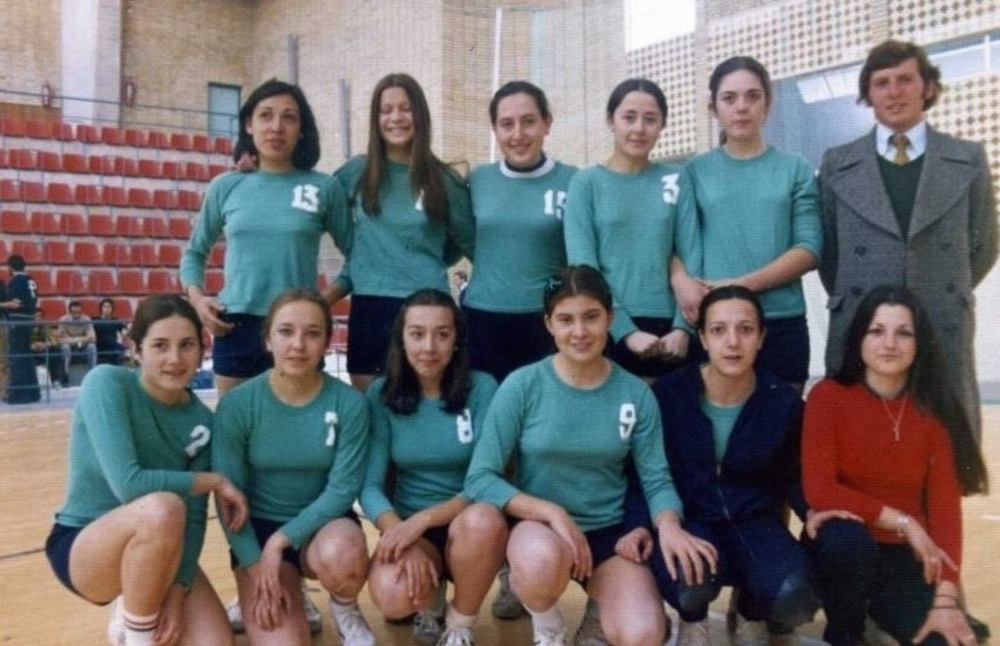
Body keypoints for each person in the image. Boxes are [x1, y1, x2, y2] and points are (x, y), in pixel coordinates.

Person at [464, 265, 715, 646]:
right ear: (549, 324)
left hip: (609, 536)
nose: (579, 332)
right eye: (565, 319)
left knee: (644, 634)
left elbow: (656, 478)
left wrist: (668, 525)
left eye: (591, 317)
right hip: (542, 532)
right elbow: (481, 477)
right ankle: (548, 626)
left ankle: (600, 615)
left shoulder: (636, 394)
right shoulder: (522, 385)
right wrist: (551, 512)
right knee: (538, 562)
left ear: (610, 319)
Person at [43, 294, 248, 646]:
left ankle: (141, 596)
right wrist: (213, 480)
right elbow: (129, 485)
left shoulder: (202, 421)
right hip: (85, 546)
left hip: (161, 546)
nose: (174, 358)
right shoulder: (106, 383)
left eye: (187, 345)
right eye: (160, 345)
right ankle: (138, 631)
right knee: (164, 507)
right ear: (136, 349)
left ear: (202, 350)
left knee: (216, 641)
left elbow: (196, 520)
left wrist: (178, 591)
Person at [818, 39, 997, 438]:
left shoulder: (968, 157)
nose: (894, 92)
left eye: (905, 80)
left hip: (940, 316)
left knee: (941, 446)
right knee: (862, 443)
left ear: (927, 87)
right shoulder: (836, 163)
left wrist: (940, 284)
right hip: (863, 319)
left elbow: (984, 244)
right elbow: (830, 253)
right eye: (881, 83)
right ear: (868, 93)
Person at [623, 285, 820, 646]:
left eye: (745, 329)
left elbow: (796, 476)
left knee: (793, 597)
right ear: (702, 337)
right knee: (688, 583)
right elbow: (642, 472)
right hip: (690, 522)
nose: (732, 342)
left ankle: (750, 609)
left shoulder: (782, 401)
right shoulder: (667, 395)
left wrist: (815, 512)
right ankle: (692, 621)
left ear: (761, 338)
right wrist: (640, 525)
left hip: (755, 523)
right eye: (718, 330)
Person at [802, 285, 989, 646]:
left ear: (920, 344)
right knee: (846, 544)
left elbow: (945, 511)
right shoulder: (828, 397)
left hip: (905, 558)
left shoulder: (934, 410)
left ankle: (884, 612)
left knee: (950, 641)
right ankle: (846, 633)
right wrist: (906, 523)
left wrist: (947, 599)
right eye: (877, 331)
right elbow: (820, 490)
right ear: (859, 338)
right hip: (844, 547)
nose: (889, 344)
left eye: (903, 333)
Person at [212, 289, 375, 646]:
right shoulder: (237, 405)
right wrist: (258, 565)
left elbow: (343, 490)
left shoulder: (348, 403)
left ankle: (345, 608)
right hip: (256, 534)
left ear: (327, 343)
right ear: (268, 339)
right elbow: (228, 500)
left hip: (323, 527)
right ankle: (283, 592)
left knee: (343, 552)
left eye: (312, 333)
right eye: (286, 331)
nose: (298, 344)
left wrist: (282, 542)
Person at [180, 78, 351, 397]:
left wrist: (323, 300)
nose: (276, 126)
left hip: (299, 328)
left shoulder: (324, 188)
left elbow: (359, 258)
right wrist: (198, 300)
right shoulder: (225, 186)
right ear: (248, 124)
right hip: (236, 326)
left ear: (302, 129)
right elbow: (194, 253)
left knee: (299, 432)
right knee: (236, 434)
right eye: (266, 115)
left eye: (289, 117)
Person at [360, 288, 504, 646]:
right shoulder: (380, 395)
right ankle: (430, 599)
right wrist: (400, 533)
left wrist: (422, 521)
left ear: (457, 339)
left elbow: (485, 479)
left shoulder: (482, 388)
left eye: (442, 334)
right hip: (411, 527)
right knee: (392, 600)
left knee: (484, 520)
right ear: (402, 339)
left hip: (468, 524)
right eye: (417, 334)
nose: (429, 347)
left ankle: (460, 622)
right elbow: (370, 486)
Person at [677, 56, 821, 392]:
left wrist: (740, 286)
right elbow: (672, 242)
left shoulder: (795, 168)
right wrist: (680, 280)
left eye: (753, 96)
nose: (741, 107)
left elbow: (810, 248)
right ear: (713, 108)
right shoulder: (694, 171)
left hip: (780, 319)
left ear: (767, 104)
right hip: (715, 324)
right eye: (729, 98)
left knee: (780, 433)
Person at [332, 72, 475, 393]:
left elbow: (470, 245)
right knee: (371, 411)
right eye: (386, 110)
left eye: (405, 108)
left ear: (420, 115)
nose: (396, 117)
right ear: (375, 119)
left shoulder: (443, 180)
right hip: (371, 307)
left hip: (427, 310)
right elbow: (313, 200)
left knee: (426, 409)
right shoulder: (356, 171)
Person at [564, 78, 700, 382]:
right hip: (607, 326)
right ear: (610, 120)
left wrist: (682, 328)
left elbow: (691, 253)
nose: (639, 128)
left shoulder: (677, 178)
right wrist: (625, 331)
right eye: (629, 117)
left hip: (673, 333)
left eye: (650, 119)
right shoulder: (586, 184)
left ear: (662, 125)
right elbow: (585, 268)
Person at [463, 80, 577, 384]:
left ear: (547, 123)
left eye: (528, 122)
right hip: (483, 319)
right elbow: (465, 239)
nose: (518, 135)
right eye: (506, 124)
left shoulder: (574, 181)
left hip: (545, 322)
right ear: (495, 130)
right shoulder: (478, 180)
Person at [2, 254, 40, 403]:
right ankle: (33, 393)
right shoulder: (31, 280)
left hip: (17, 321)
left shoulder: (15, 282)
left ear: (10, 267)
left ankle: (18, 395)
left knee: (16, 357)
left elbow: (15, 304)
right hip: (29, 320)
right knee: (27, 355)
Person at [58, 299, 97, 384]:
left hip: (81, 345)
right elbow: (61, 339)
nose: (76, 315)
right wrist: (83, 338)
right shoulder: (63, 320)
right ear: (69, 312)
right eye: (74, 312)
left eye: (79, 312)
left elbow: (93, 338)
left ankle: (92, 375)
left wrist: (74, 339)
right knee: (65, 347)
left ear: (82, 312)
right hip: (70, 346)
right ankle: (65, 374)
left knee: (92, 347)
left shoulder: (87, 319)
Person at [30, 310, 66, 388]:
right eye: (35, 316)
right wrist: (31, 345)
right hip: (30, 351)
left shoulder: (45, 326)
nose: (37, 318)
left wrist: (45, 344)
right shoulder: (25, 327)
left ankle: (56, 380)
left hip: (43, 351)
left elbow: (53, 342)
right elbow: (21, 343)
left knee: (56, 351)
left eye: (40, 316)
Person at [94, 298, 128, 366]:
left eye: (109, 307)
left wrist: (125, 337)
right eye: (104, 306)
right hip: (99, 345)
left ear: (112, 309)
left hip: (113, 345)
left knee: (121, 350)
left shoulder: (115, 320)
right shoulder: (95, 320)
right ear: (101, 308)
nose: (107, 309)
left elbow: (124, 332)